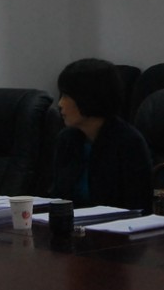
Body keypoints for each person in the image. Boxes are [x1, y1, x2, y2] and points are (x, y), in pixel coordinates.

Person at [50, 58, 154, 211]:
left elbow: (138, 206)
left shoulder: (129, 142)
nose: (60, 104)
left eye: (66, 96)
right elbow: (58, 197)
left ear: (88, 97)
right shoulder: (66, 139)